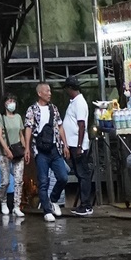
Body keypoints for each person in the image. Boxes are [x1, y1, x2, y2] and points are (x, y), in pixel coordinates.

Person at [24, 83, 68, 219]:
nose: (50, 93)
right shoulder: (32, 110)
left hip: (55, 149)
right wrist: (27, 148)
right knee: (43, 181)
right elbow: (28, 128)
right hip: (40, 150)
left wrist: (65, 145)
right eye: (47, 91)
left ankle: (53, 199)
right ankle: (47, 211)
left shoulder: (53, 109)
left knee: (63, 177)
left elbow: (60, 127)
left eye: (50, 91)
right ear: (39, 93)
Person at [0, 91, 27, 221]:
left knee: (19, 180)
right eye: (9, 100)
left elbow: (21, 134)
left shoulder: (18, 117)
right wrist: (7, 150)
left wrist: (25, 149)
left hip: (18, 152)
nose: (11, 103)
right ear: (4, 102)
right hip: (3, 153)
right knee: (5, 181)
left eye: (13, 100)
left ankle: (17, 206)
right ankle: (3, 201)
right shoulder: (0, 117)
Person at [62, 78, 94, 216]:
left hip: (78, 144)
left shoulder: (80, 102)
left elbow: (82, 125)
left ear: (70, 88)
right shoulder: (74, 102)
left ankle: (86, 205)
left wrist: (80, 145)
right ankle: (84, 204)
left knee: (83, 174)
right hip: (73, 143)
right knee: (80, 174)